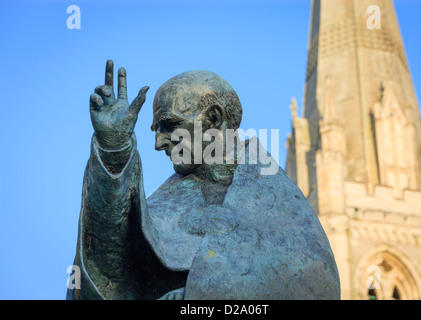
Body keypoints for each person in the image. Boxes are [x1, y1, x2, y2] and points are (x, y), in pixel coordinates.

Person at [67, 60, 340, 300]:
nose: (158, 143)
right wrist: (113, 149)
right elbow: (109, 271)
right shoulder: (163, 204)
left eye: (169, 125)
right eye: (155, 130)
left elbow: (315, 283)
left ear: (213, 119)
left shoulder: (278, 201)